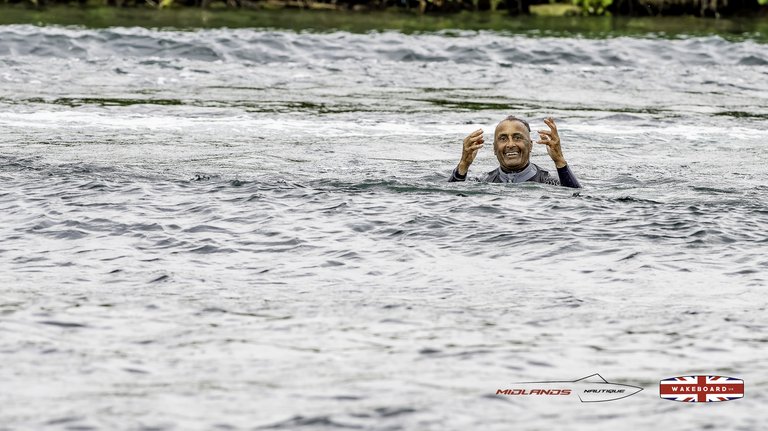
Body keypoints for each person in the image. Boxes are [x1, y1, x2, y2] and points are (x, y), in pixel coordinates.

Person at [448, 116, 581, 188]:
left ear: (530, 146)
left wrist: (560, 161)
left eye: (517, 138)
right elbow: (451, 201)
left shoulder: (549, 182)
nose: (510, 144)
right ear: (494, 148)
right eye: (503, 138)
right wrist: (463, 165)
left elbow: (575, 200)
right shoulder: (482, 181)